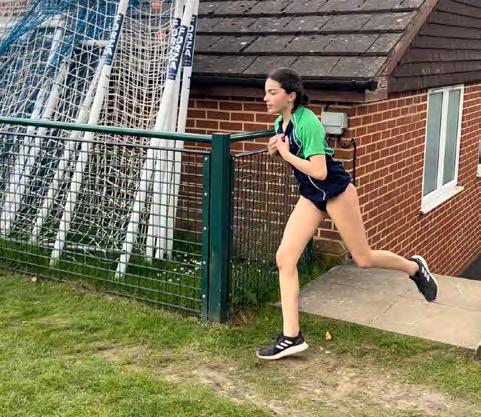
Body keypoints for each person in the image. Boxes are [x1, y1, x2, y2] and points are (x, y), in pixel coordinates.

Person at [256, 68, 438, 361]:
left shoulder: (308, 122)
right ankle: (291, 337)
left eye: (272, 92)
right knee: (285, 258)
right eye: (266, 92)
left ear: (291, 96)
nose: (266, 98)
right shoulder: (281, 122)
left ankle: (414, 267)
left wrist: (287, 154)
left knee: (363, 258)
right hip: (312, 195)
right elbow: (292, 155)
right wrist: (274, 149)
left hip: (337, 191)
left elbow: (319, 170)